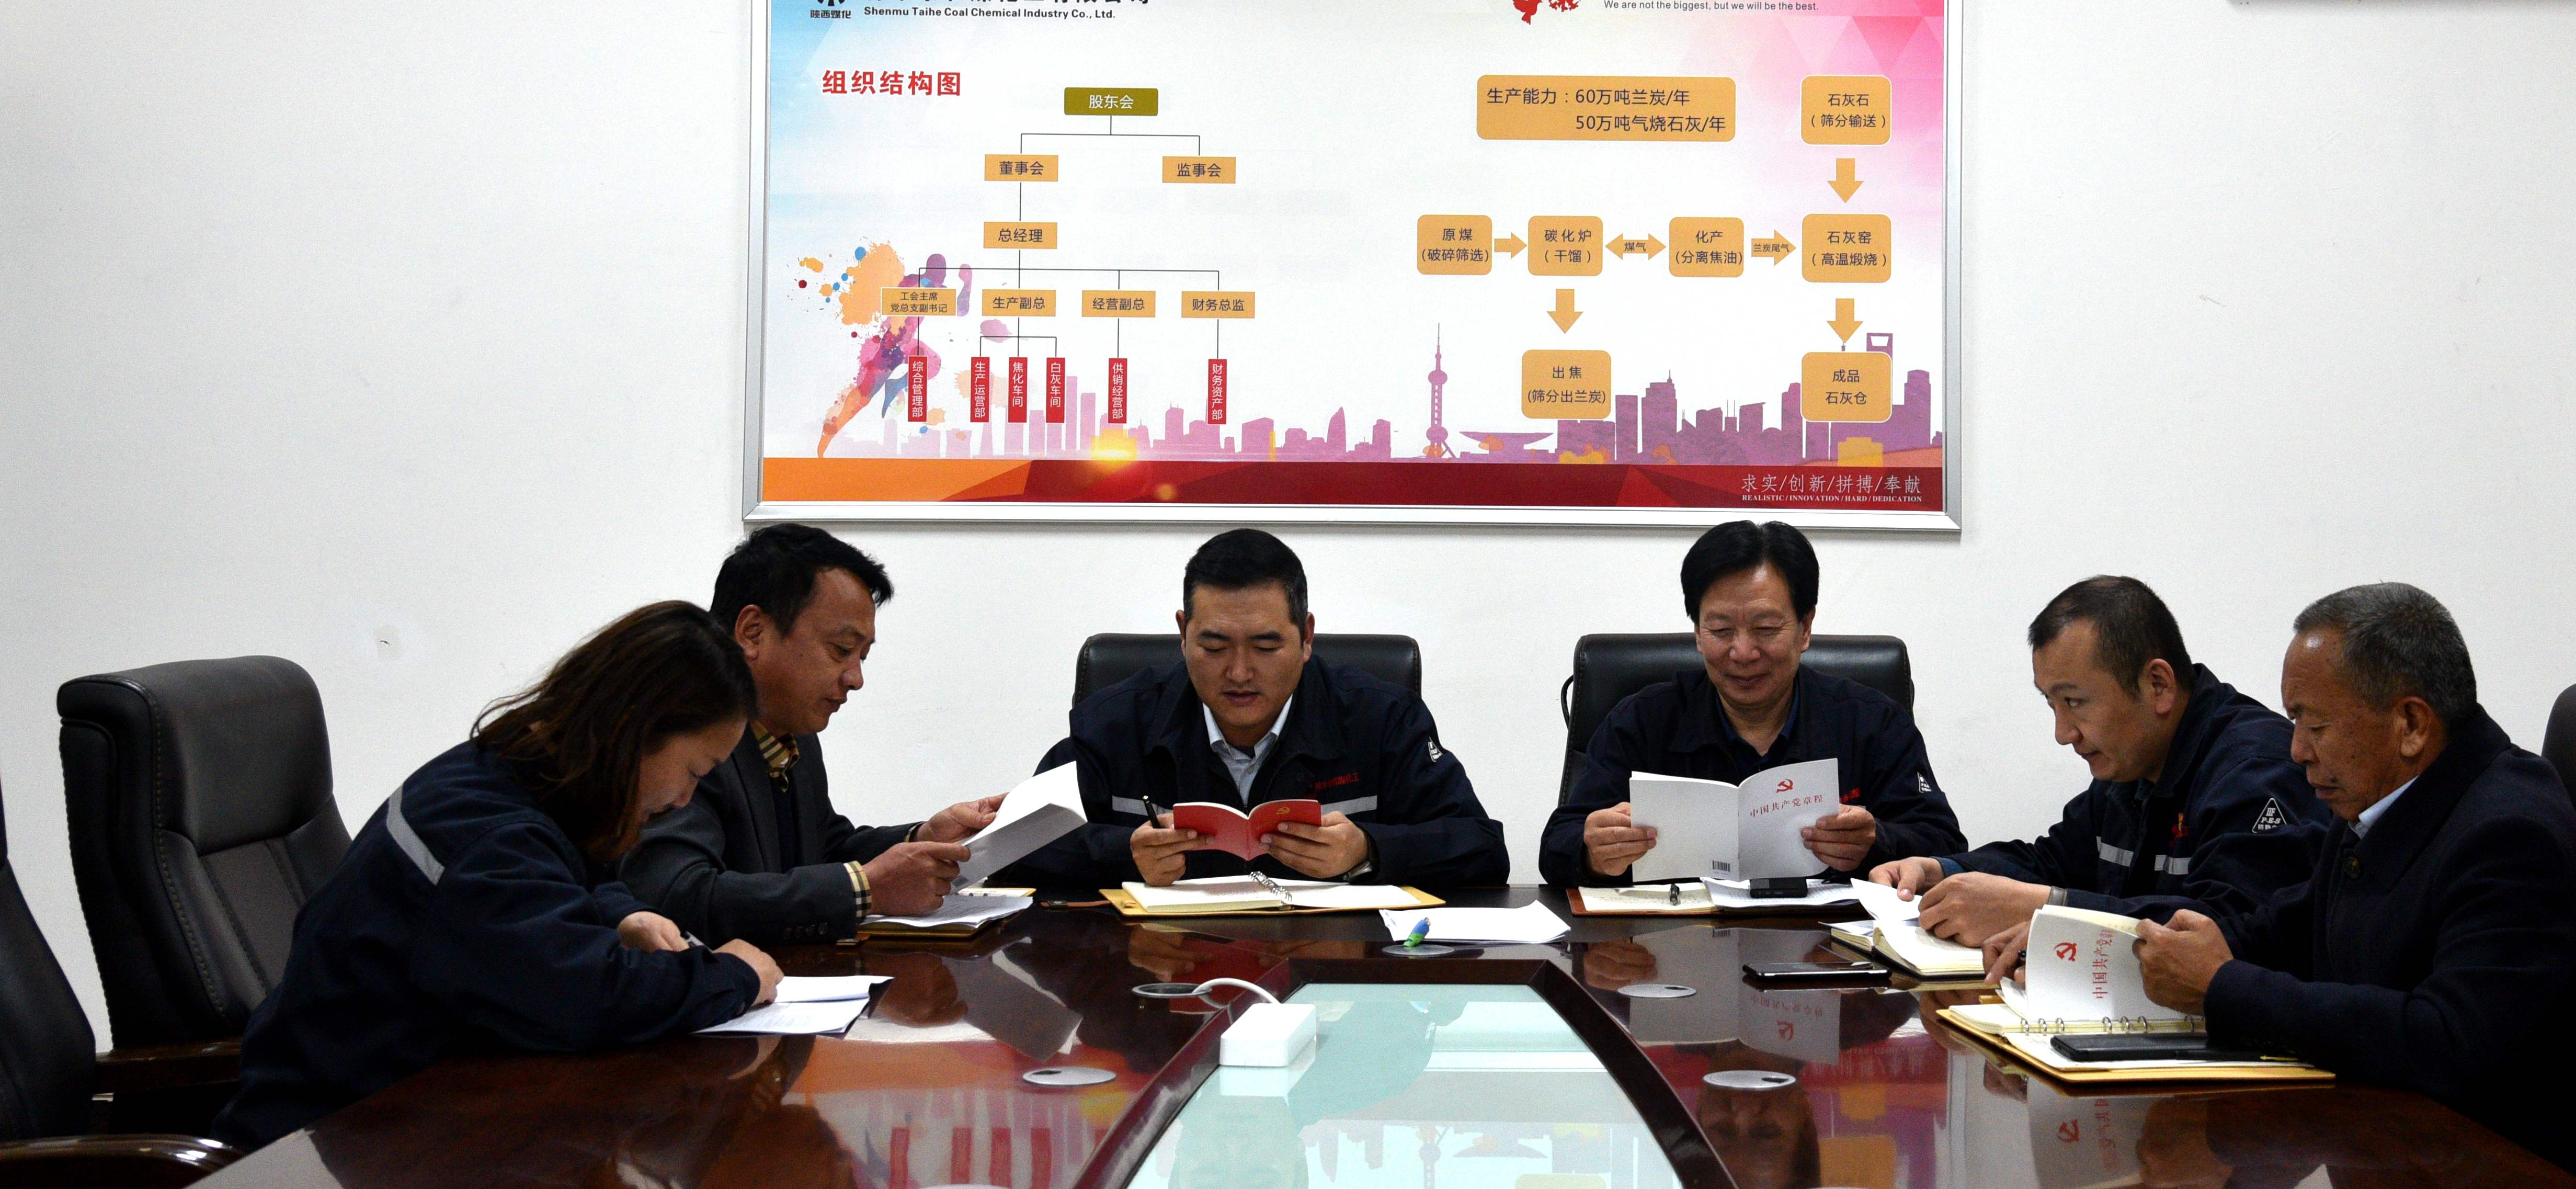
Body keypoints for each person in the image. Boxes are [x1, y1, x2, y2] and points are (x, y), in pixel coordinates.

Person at [2127, 584, 2576, 1189]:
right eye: (2294, 722)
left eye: (2315, 725)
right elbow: (2288, 928)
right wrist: (2141, 947)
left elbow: (2446, 1042)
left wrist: (2223, 986)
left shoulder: (2512, 836)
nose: (2296, 750)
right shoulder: (2381, 800)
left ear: (2410, 724)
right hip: (2404, 1150)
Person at [214, 602, 782, 1152]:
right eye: (694, 771)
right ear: (635, 730)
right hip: (326, 1141)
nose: (685, 799)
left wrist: (622, 914)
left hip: (420, 1117)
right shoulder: (485, 838)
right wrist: (733, 976)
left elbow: (578, 873)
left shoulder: (512, 775)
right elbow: (588, 997)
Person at [1002, 528, 1507, 890]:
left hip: (1329, 972)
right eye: (1214, 646)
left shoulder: (1381, 718)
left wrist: (1368, 851)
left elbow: (1482, 849)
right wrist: (1122, 854)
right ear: (1182, 634)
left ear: (1306, 637)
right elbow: (1013, 846)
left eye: (1266, 647)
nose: (1240, 673)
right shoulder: (1115, 721)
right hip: (1160, 975)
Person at [1870, 576, 2329, 946]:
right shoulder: (2130, 766)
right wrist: (1940, 872)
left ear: (2158, 686)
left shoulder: (2256, 770)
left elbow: (2230, 932)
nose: (2063, 733)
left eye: (2074, 702)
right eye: (2052, 704)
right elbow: (2051, 863)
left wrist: (2046, 909)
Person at [624, 525, 1010, 944]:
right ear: (753, 631)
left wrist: (922, 838)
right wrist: (863, 889)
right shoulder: (679, 731)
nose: (856, 679)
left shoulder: (793, 732)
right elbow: (677, 895)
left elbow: (824, 850)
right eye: (841, 650)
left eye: (862, 657)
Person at [1542, 519, 1964, 886]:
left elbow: (1944, 844)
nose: (1743, 653)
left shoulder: (1871, 722)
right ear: (1697, 633)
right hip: (1670, 945)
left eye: (1765, 628)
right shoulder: (1641, 721)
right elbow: (1558, 844)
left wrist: (1876, 841)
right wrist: (1593, 852)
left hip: (1826, 947)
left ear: (1805, 628)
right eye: (1721, 630)